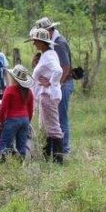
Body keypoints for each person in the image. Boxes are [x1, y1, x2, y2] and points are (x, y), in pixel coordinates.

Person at [34, 17, 75, 154]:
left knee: (60, 119)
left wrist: (55, 83)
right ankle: (54, 151)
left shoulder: (60, 43)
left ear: (49, 30)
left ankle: (64, 150)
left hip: (63, 83)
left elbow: (65, 67)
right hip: (57, 84)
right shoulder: (51, 46)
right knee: (53, 120)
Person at [28, 27, 64, 163]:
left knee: (53, 128)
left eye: (35, 41)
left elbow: (58, 70)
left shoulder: (48, 55)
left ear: (42, 42)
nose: (34, 44)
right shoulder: (47, 54)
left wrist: (50, 82)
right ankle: (47, 157)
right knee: (45, 127)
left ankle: (58, 159)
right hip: (45, 95)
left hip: (49, 95)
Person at [0, 65, 35, 158]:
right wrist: (28, 121)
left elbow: (3, 108)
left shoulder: (9, 90)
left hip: (12, 120)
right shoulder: (29, 92)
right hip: (25, 120)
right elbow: (30, 109)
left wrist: (0, 122)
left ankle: (2, 164)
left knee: (5, 143)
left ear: (13, 78)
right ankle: (21, 163)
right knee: (21, 145)